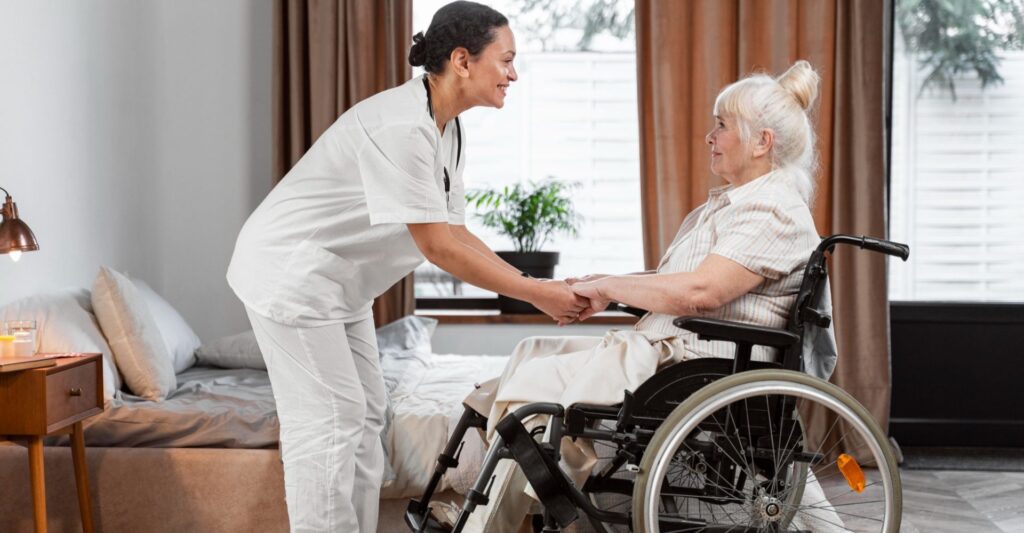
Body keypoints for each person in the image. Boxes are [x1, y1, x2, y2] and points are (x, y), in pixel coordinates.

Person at [226, 3, 589, 531]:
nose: (514, 73)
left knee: (370, 413)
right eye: (506, 60)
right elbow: (438, 247)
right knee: (330, 420)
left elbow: (456, 232)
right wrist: (537, 295)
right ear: (463, 60)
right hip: (292, 274)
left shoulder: (445, 127)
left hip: (339, 284)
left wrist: (534, 285)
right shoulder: (403, 126)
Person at [458, 60, 843, 532]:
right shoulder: (739, 203)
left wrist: (610, 287)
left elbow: (702, 292)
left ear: (762, 142)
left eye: (722, 126)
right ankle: (509, 508)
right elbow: (680, 278)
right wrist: (607, 284)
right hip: (675, 353)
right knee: (529, 352)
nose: (710, 136)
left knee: (530, 391)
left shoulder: (771, 209)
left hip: (693, 363)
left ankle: (489, 522)